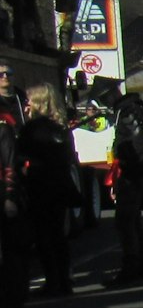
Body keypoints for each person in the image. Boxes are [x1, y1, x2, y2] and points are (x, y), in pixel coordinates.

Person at [17, 84, 80, 297]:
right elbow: (68, 157)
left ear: (38, 103)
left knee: (43, 235)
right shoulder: (60, 127)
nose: (26, 105)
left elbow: (21, 157)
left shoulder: (32, 129)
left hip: (40, 185)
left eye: (29, 101)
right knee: (58, 235)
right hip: (60, 185)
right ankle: (63, 280)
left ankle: (53, 280)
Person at [105, 93, 143, 287]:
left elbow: (138, 145)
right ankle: (141, 269)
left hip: (131, 174)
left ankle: (133, 269)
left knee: (126, 221)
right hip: (132, 172)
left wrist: (127, 165)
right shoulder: (129, 112)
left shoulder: (128, 113)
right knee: (131, 221)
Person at [0, 64, 25, 308]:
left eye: (8, 73)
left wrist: (9, 196)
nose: (5, 78)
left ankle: (14, 298)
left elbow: (9, 163)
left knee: (11, 246)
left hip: (4, 191)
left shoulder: (3, 124)